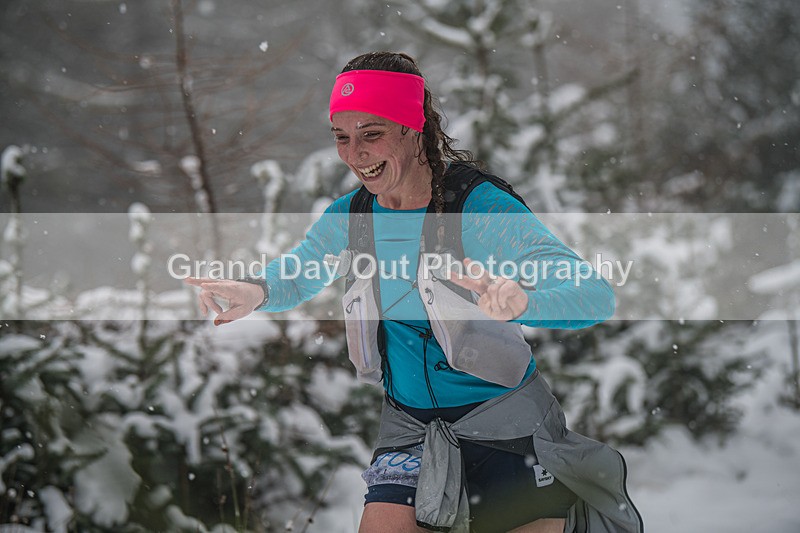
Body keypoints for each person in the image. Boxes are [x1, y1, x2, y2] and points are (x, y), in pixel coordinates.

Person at [186, 52, 642, 533]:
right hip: (410, 428)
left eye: (371, 134)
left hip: (507, 426)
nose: (354, 153)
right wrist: (254, 290)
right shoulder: (353, 215)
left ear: (415, 126)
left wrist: (527, 301)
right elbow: (299, 272)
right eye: (342, 137)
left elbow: (593, 293)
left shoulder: (477, 207)